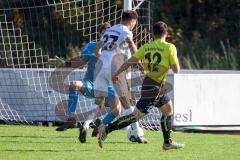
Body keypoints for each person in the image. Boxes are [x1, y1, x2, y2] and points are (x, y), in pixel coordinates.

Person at [97, 21, 185, 150]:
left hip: (151, 84)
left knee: (168, 110)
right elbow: (176, 70)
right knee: (135, 116)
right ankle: (107, 129)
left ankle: (167, 142)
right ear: (166, 33)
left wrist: (116, 73)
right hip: (154, 87)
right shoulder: (170, 47)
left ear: (153, 34)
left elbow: (130, 61)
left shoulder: (146, 47)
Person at [93, 10, 147, 144]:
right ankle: (137, 133)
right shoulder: (126, 31)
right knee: (126, 103)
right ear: (132, 21)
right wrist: (140, 64)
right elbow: (132, 45)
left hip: (100, 68)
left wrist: (104, 60)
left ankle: (90, 124)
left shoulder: (109, 30)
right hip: (114, 69)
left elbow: (96, 50)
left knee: (98, 103)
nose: (134, 25)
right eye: (135, 23)